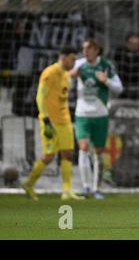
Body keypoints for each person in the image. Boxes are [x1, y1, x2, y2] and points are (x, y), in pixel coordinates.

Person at [22, 46, 83, 201]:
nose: (74, 62)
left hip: (65, 120)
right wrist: (45, 118)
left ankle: (67, 191)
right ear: (63, 57)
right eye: (72, 59)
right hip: (50, 121)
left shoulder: (66, 74)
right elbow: (40, 96)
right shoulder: (50, 73)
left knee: (68, 153)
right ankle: (29, 183)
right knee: (49, 156)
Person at [70, 39, 123, 199]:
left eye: (88, 49)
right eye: (83, 49)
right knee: (83, 147)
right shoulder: (78, 64)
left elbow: (119, 88)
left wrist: (105, 81)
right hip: (82, 115)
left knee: (98, 152)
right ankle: (85, 187)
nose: (85, 52)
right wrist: (71, 77)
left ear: (96, 50)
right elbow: (64, 78)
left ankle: (96, 188)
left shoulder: (106, 65)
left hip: (100, 115)